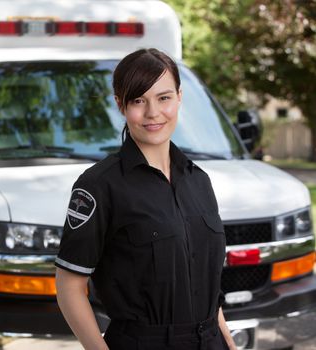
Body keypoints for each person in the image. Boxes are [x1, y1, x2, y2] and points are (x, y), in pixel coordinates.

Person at [55, 48, 236, 350]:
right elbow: (69, 285)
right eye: (138, 100)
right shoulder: (99, 185)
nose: (153, 112)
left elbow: (206, 285)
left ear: (179, 97)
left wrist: (229, 344)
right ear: (120, 105)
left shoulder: (199, 180)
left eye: (163, 98)